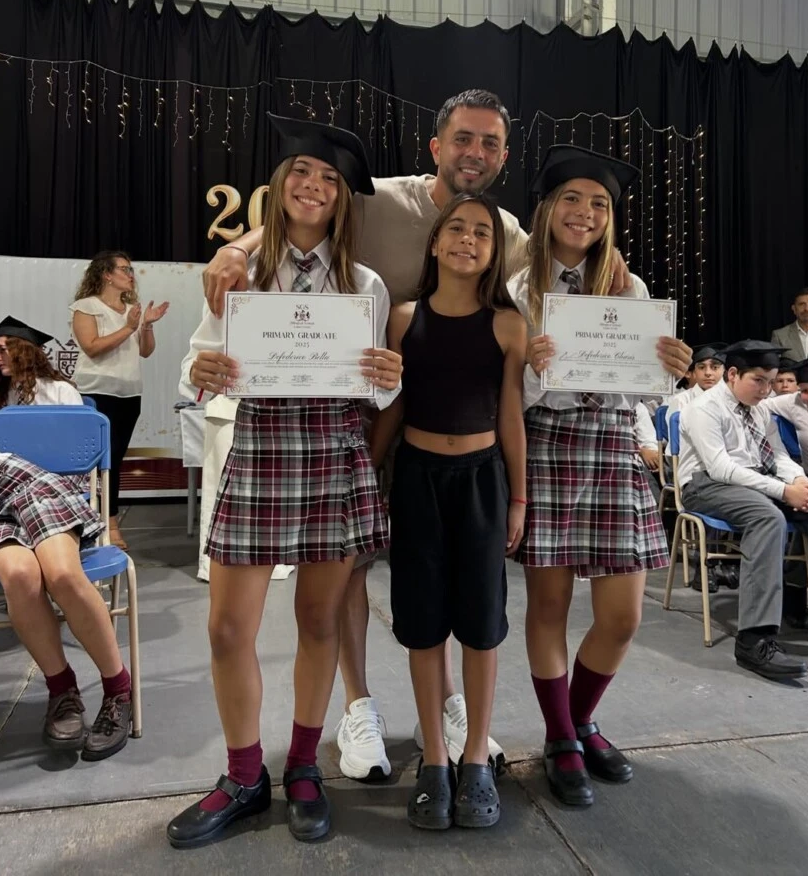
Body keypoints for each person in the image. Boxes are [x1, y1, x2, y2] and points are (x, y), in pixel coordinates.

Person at [200, 89, 633, 776]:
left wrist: (624, 291)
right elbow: (307, 201)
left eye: (490, 143)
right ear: (437, 145)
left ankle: (451, 706)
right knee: (344, 584)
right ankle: (358, 705)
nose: (476, 153)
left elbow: (562, 271)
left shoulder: (510, 232)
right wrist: (242, 246)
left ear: (502, 157)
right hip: (355, 429)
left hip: (453, 432)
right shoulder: (376, 198)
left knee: (443, 584)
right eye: (464, 138)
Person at [167, 116, 402, 849]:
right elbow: (197, 364)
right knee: (229, 626)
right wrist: (200, 374)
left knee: (318, 621)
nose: (314, 186)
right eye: (302, 171)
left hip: (334, 456)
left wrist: (389, 382)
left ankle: (302, 766)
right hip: (262, 449)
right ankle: (243, 775)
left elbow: (377, 393)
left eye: (330, 180)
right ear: (279, 183)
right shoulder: (239, 272)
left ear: (341, 200)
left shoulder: (365, 284)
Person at [510, 145, 691, 809]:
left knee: (621, 616)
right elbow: (510, 397)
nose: (584, 213)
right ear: (547, 207)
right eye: (571, 198)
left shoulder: (629, 288)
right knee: (549, 607)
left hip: (611, 445)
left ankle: (582, 717)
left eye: (599, 203)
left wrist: (667, 367)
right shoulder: (515, 288)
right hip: (547, 443)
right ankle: (560, 736)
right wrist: (530, 364)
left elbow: (641, 392)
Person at [370, 193, 526, 830]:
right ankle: (435, 757)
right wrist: (368, 477)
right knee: (423, 622)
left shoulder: (509, 325)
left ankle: (475, 757)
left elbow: (511, 416)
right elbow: (394, 408)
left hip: (483, 482)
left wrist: (518, 496)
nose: (467, 239)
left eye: (481, 232)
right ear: (434, 244)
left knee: (482, 625)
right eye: (454, 229)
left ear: (493, 251)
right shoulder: (404, 319)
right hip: (416, 480)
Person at [678, 340, 808, 679]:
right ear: (732, 374)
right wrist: (785, 491)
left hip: (756, 479)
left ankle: (792, 600)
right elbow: (721, 469)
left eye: (771, 381)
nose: (766, 389)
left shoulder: (761, 409)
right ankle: (753, 641)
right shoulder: (704, 409)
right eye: (758, 380)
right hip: (706, 485)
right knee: (767, 516)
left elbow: (779, 458)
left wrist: (803, 483)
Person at [0, 448, 132, 759]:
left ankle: (119, 690)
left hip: (19, 482)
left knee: (63, 576)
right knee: (19, 576)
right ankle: (62, 690)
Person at [70, 252, 169, 549]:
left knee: (117, 459)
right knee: (101, 462)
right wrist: (128, 326)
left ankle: (106, 519)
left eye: (131, 269)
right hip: (97, 393)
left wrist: (146, 325)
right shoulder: (86, 307)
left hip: (129, 394)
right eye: (124, 269)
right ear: (106, 274)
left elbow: (146, 351)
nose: (130, 274)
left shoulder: (131, 310)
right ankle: (106, 523)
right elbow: (91, 347)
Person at [770, 355, 808, 582]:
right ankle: (793, 598)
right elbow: (753, 406)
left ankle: (793, 597)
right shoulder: (793, 403)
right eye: (805, 390)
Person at [0, 316, 83, 407]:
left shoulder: (61, 391)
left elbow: (78, 421)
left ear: (24, 352)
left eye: (2, 350)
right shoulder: (2, 394)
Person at [770, 288, 808, 362]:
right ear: (794, 309)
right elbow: (773, 366)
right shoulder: (779, 336)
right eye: (802, 304)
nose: (807, 309)